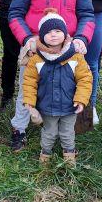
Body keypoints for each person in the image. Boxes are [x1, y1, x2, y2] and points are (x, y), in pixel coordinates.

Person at [8, 0, 94, 150]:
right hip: (36, 43)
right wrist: (27, 39)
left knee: (65, 85)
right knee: (26, 87)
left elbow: (87, 14)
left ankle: (64, 127)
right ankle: (19, 128)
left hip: (67, 45)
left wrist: (83, 37)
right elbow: (15, 14)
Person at [22, 9, 92, 168]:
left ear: (65, 33)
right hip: (47, 106)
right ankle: (45, 153)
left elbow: (85, 79)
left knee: (67, 132)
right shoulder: (37, 59)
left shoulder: (75, 57)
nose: (53, 35)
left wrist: (81, 99)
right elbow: (29, 82)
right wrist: (29, 102)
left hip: (69, 106)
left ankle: (69, 154)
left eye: (57, 30)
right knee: (49, 132)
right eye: (48, 32)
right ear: (41, 36)